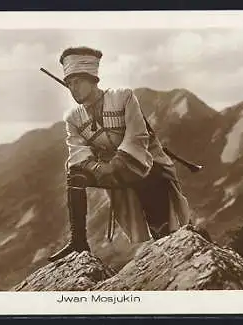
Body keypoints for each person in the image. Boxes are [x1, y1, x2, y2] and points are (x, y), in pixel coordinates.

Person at [47, 46, 197, 263]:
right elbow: (77, 153)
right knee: (75, 175)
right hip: (108, 172)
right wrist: (98, 168)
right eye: (69, 84)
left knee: (161, 223)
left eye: (77, 82)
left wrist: (116, 163)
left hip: (144, 166)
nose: (73, 89)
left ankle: (168, 237)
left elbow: (137, 137)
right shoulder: (73, 118)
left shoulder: (124, 98)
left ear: (92, 78)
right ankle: (78, 242)